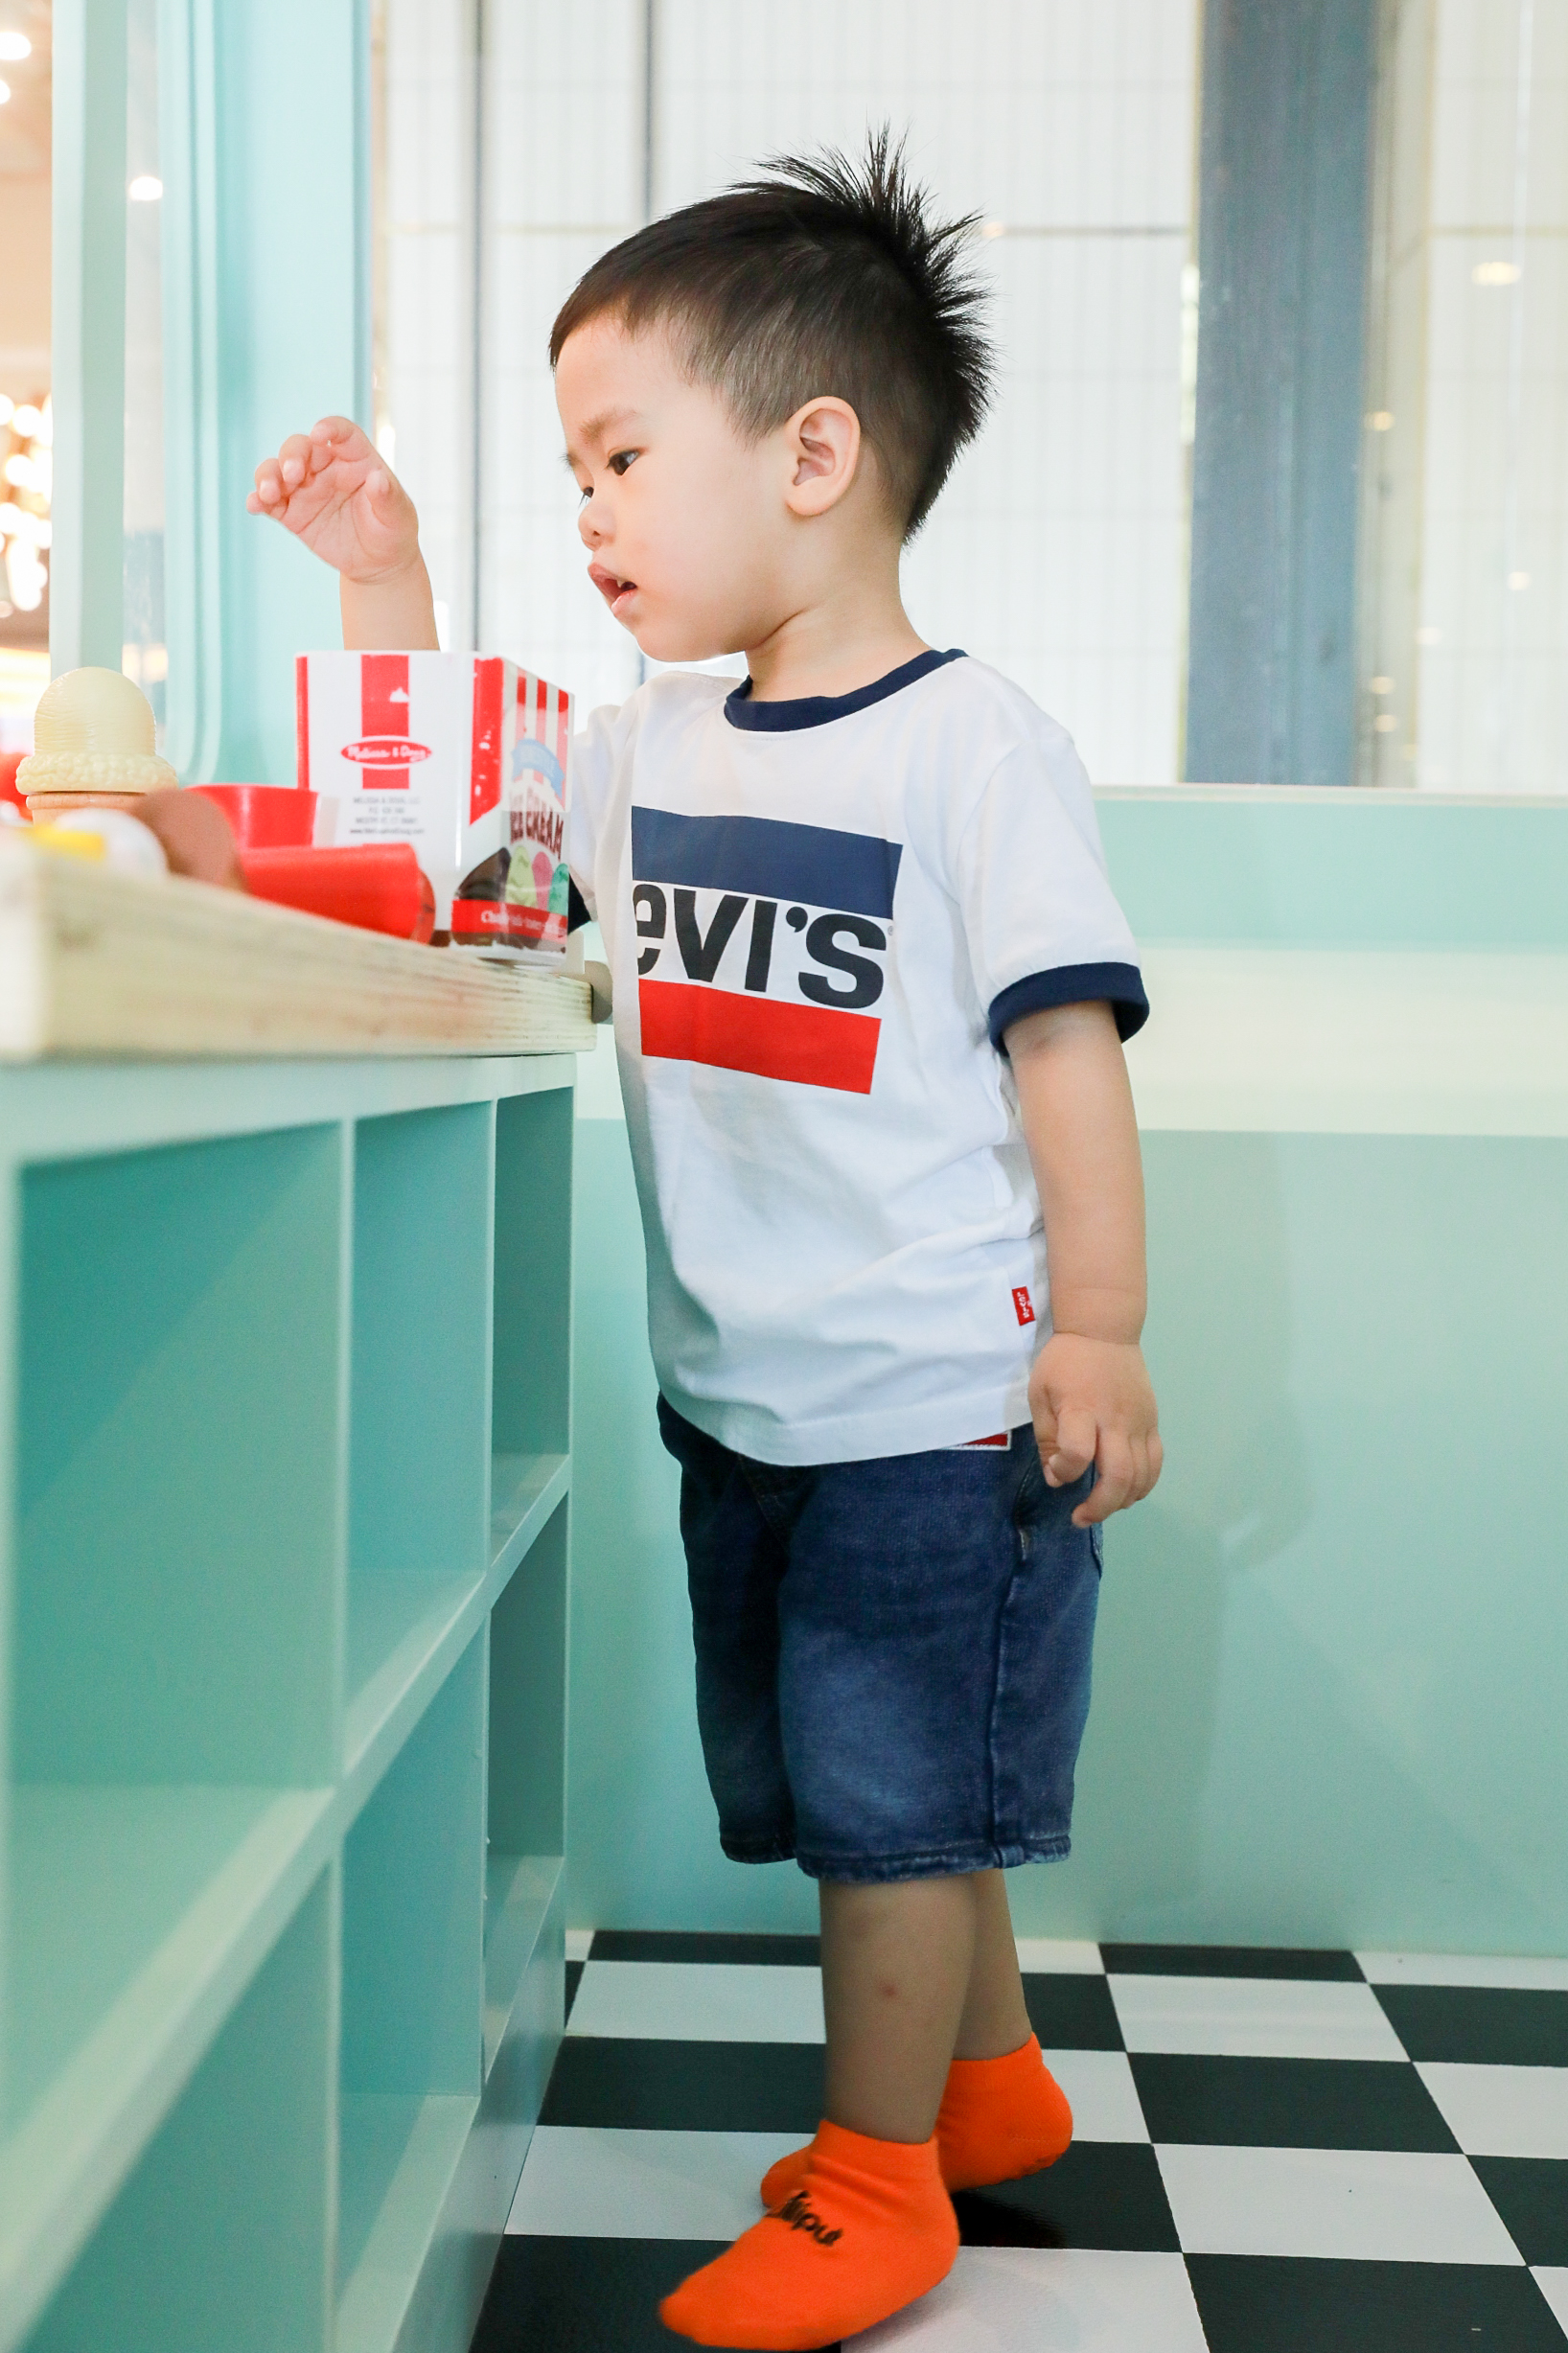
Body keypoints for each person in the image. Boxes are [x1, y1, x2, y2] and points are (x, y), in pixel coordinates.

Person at [251, 128, 1163, 2353]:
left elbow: (1064, 1050)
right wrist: (386, 577)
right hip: (747, 1398)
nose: (587, 512)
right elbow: (449, 820)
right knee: (876, 1781)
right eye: (574, 471)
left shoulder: (971, 751)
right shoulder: (644, 746)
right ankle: (987, 2085)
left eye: (621, 457)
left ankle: (877, 2183)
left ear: (812, 455)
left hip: (936, 1403)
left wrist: (1101, 1325)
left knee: (883, 1807)